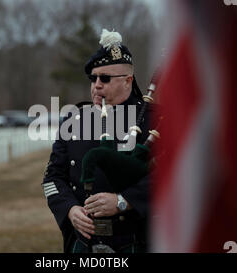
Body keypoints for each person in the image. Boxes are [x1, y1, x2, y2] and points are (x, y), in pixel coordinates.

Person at [42, 29, 155, 253]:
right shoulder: (74, 120)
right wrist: (70, 210)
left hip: (138, 240)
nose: (97, 85)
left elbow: (173, 176)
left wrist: (124, 201)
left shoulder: (155, 120)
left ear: (128, 81)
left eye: (105, 78)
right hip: (83, 242)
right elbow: (52, 178)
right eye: (93, 78)